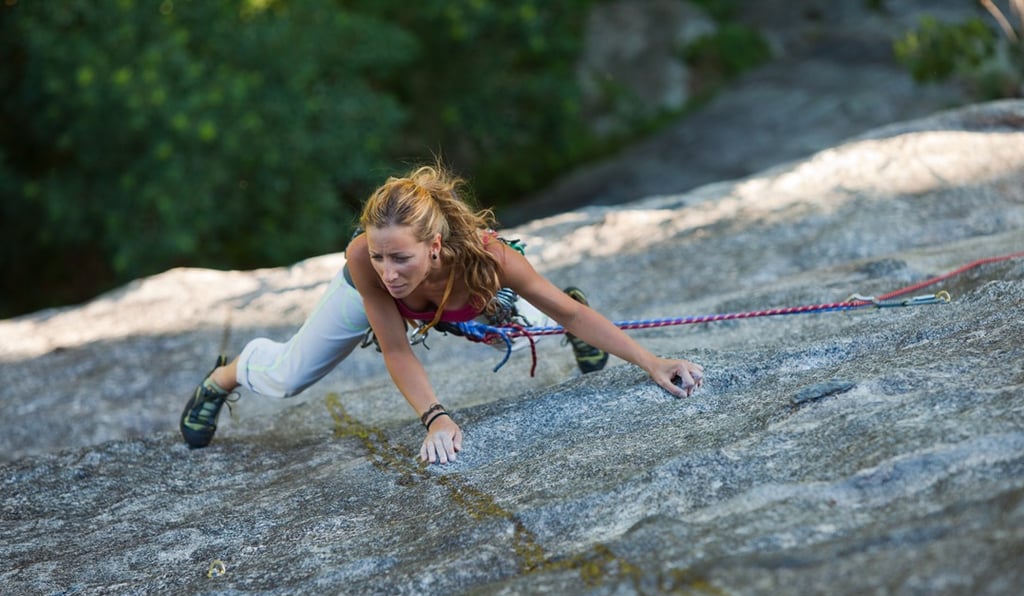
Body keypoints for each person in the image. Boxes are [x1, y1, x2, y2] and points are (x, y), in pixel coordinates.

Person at [180, 163, 704, 463]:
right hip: (377, 306)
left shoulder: (491, 260)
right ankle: (223, 377)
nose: (388, 270)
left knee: (535, 320)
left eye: (400, 258)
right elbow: (395, 348)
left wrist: (653, 363)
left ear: (433, 246)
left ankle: (541, 323)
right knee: (286, 379)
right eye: (379, 255)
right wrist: (436, 417)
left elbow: (569, 312)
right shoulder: (366, 264)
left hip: (463, 296)